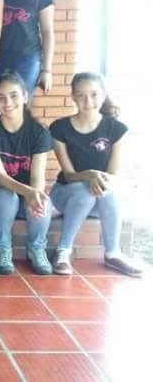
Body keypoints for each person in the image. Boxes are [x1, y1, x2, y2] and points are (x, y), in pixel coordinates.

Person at [50, 72, 143, 277]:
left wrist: (97, 180)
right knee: (85, 192)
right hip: (66, 195)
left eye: (94, 94)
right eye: (81, 95)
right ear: (73, 97)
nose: (88, 101)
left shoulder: (117, 129)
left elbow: (112, 174)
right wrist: (90, 175)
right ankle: (63, 251)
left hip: (101, 198)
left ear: (103, 94)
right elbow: (69, 175)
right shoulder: (59, 128)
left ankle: (113, 253)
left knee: (108, 191)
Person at [0, 71, 53, 275]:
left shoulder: (39, 132)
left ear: (25, 96)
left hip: (25, 195)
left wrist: (35, 195)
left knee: (43, 200)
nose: (7, 102)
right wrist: (28, 192)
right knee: (7, 196)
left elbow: (37, 177)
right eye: (1, 97)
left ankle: (37, 249)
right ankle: (2, 249)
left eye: (13, 95)